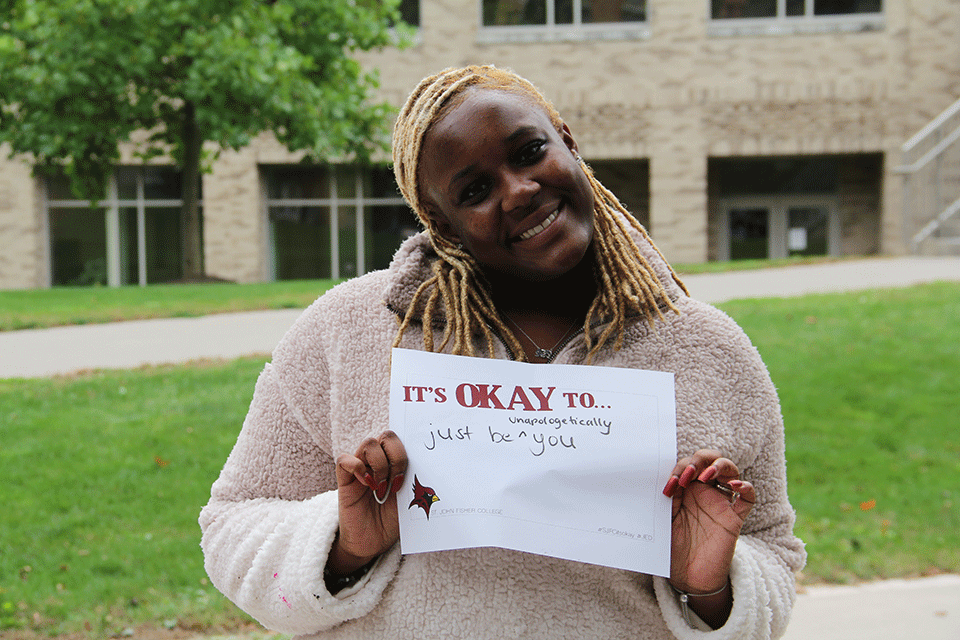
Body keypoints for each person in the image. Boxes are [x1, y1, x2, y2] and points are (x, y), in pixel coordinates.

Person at [200, 65, 805, 639]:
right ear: (439, 220)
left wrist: (711, 586)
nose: (519, 191)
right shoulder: (347, 332)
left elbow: (773, 555)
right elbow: (233, 526)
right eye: (475, 189)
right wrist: (343, 545)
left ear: (566, 142)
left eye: (529, 152)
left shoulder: (710, 350)